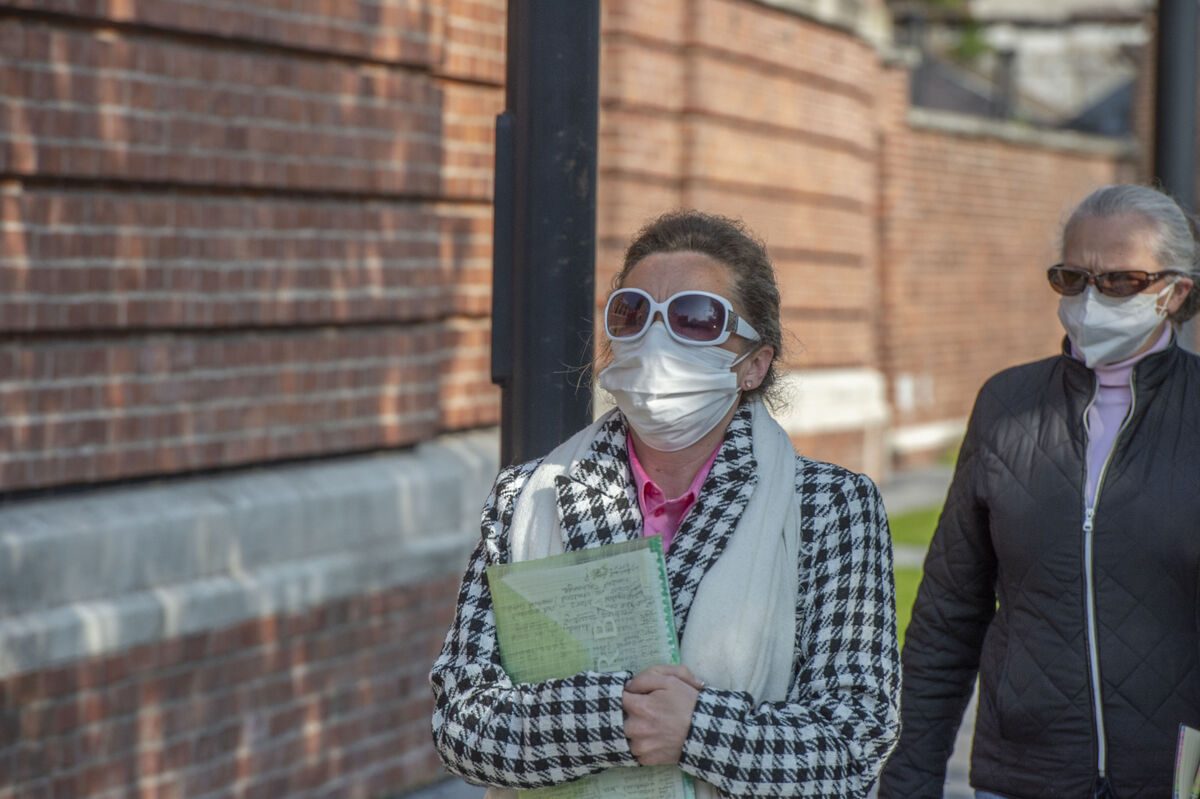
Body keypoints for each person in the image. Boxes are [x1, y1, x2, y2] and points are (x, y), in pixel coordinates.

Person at [430, 210, 900, 798]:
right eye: (632, 313)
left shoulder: (830, 508)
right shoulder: (528, 496)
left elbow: (852, 747)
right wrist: (615, 718)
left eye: (695, 318)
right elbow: (459, 723)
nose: (656, 338)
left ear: (754, 363)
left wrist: (699, 731)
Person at [877, 184, 1200, 799]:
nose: (1090, 298)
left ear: (1174, 291)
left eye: (1121, 281)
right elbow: (949, 613)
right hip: (1020, 775)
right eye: (1071, 278)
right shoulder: (1006, 404)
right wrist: (909, 780)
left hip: (1170, 778)